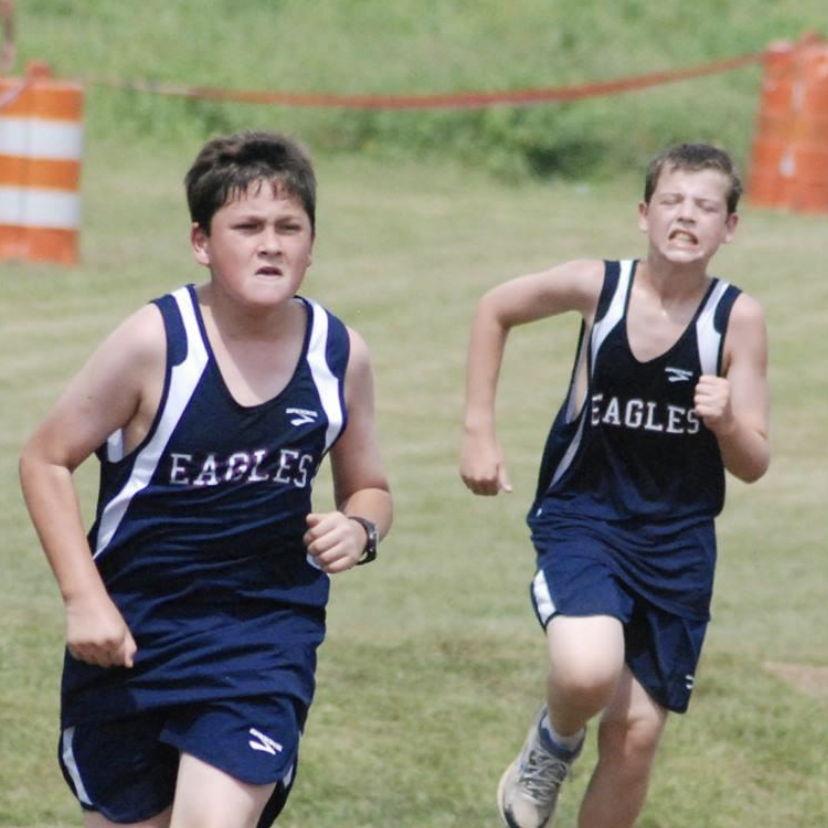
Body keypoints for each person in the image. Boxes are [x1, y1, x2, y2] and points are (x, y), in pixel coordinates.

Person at [19, 130, 393, 828]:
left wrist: (361, 527)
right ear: (201, 241)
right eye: (247, 227)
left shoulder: (339, 355)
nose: (270, 245)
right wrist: (84, 599)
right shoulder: (156, 343)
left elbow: (369, 485)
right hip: (134, 638)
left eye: (289, 227)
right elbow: (44, 459)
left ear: (312, 243)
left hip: (263, 642)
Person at [460, 143, 769, 828]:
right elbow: (494, 309)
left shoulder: (737, 319)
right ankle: (553, 742)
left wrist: (726, 422)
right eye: (672, 201)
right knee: (586, 670)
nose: (686, 216)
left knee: (636, 734)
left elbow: (754, 461)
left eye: (706, 206)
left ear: (730, 228)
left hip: (677, 545)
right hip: (586, 519)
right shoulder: (598, 288)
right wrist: (478, 430)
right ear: (642, 214)